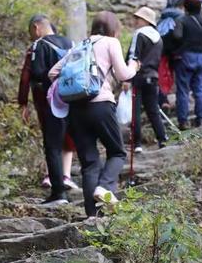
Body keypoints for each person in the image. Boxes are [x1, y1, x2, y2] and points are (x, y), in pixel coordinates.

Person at [49, 11, 140, 217]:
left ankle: (92, 216)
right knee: (117, 152)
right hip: (101, 105)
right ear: (113, 28)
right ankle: (106, 187)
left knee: (90, 163)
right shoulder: (110, 42)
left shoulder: (79, 46)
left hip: (76, 109)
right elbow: (124, 74)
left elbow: (53, 73)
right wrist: (134, 66)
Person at [18, 15, 77, 207]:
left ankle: (58, 193)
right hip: (75, 99)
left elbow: (35, 73)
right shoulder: (71, 43)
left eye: (31, 33)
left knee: (52, 145)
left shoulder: (39, 45)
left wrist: (23, 102)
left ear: (36, 28)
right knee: (75, 142)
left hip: (51, 103)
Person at [124, 7, 167, 153]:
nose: (135, 21)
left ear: (145, 21)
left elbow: (133, 55)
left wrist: (126, 77)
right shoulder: (158, 37)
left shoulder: (139, 34)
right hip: (153, 76)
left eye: (138, 18)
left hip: (138, 76)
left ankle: (137, 144)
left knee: (135, 110)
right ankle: (162, 139)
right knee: (153, 109)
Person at [171, 0, 202, 130]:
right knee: (200, 89)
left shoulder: (181, 20)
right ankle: (201, 119)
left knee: (183, 90)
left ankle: (183, 121)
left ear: (185, 7)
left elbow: (177, 36)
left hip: (186, 57)